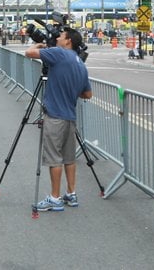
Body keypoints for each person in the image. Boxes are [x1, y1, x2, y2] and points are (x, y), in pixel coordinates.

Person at [25, 27, 93, 212]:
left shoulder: (58, 54)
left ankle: (54, 198)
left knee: (54, 159)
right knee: (69, 158)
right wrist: (69, 87)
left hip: (54, 116)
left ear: (68, 41)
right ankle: (71, 194)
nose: (57, 38)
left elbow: (29, 53)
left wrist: (38, 45)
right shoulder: (80, 62)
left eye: (61, 36)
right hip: (70, 117)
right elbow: (88, 94)